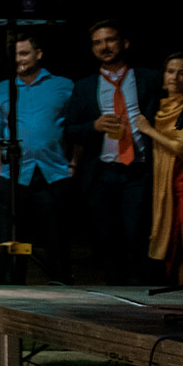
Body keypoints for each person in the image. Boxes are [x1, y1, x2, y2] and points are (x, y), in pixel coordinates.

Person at [66, 20, 163, 282]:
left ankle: (142, 293)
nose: (104, 47)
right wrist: (93, 126)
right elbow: (70, 129)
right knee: (106, 237)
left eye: (109, 40)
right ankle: (115, 294)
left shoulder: (149, 78)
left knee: (136, 233)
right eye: (97, 42)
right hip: (101, 173)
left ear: (125, 43)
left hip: (138, 170)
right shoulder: (84, 86)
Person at [0, 34, 76, 284]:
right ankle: (12, 299)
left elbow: (77, 127)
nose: (19, 60)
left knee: (56, 242)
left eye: (24, 53)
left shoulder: (63, 85)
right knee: (13, 244)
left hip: (53, 173)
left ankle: (62, 295)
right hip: (13, 176)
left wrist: (74, 163)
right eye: (14, 55)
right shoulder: (1, 89)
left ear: (39, 54)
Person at [137, 53, 183, 284]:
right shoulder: (157, 108)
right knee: (175, 246)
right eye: (171, 71)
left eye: (182, 73)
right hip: (164, 185)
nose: (175, 77)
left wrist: (149, 131)